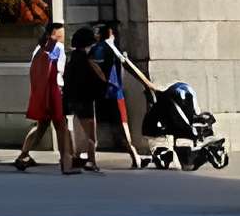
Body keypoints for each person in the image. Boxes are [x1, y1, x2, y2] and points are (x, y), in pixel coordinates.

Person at [12, 21, 71, 172]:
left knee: (41, 126)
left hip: (43, 92)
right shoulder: (56, 47)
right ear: (54, 34)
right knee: (61, 126)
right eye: (61, 33)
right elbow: (59, 70)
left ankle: (23, 155)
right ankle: (65, 160)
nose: (63, 35)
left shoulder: (40, 48)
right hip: (55, 90)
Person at [93, 20, 146, 169]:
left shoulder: (96, 49)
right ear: (111, 33)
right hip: (114, 93)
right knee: (123, 126)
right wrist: (147, 84)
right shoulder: (110, 48)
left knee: (93, 124)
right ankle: (134, 154)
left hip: (100, 93)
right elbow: (127, 65)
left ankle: (88, 156)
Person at [61, 25, 107, 173]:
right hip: (86, 100)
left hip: (72, 100)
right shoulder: (88, 61)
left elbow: (66, 80)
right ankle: (91, 161)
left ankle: (74, 157)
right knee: (91, 135)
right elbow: (99, 79)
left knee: (74, 130)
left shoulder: (71, 60)